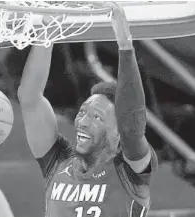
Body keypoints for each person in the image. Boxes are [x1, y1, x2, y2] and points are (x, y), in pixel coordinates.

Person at [17, 3, 158, 217]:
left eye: (97, 117)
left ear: (117, 131)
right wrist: (46, 35)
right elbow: (29, 98)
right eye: (82, 112)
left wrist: (125, 47)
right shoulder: (58, 161)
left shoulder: (130, 171)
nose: (82, 122)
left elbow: (132, 125)